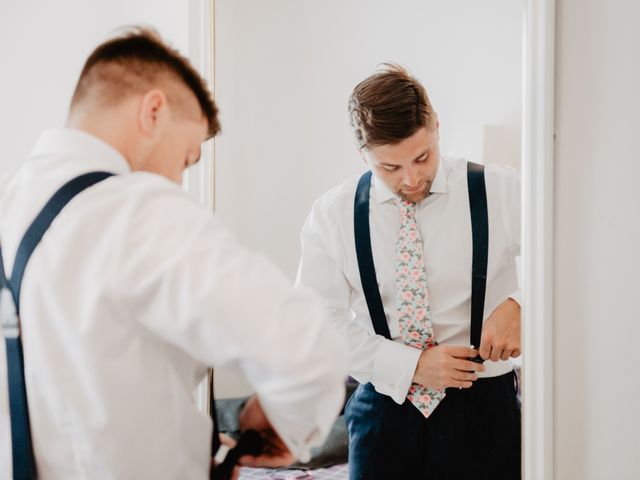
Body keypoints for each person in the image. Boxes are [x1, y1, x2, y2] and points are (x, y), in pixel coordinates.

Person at [0, 27, 348, 479]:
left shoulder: (13, 209)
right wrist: (284, 420)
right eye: (186, 158)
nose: (181, 182)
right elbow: (308, 348)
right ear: (154, 110)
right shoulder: (134, 208)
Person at [296, 64, 521, 479]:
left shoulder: (503, 191)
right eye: (390, 168)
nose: (412, 178)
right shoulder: (333, 215)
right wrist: (411, 365)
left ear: (436, 125)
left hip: (485, 412)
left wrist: (523, 304)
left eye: (422, 157)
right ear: (362, 153)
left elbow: (578, 259)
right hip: (383, 413)